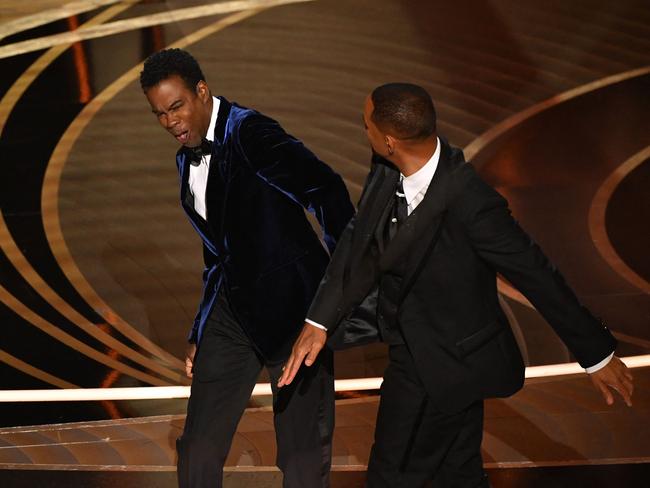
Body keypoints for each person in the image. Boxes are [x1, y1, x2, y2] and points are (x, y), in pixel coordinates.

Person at [278, 83, 634, 487]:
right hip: (417, 350)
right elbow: (359, 239)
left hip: (448, 359)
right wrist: (320, 320)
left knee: (390, 476)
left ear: (390, 140)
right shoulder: (386, 168)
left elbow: (535, 273)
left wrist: (596, 355)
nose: (365, 130)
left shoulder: (471, 201)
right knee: (458, 473)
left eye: (367, 126)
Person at [140, 48, 354, 488]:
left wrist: (333, 297)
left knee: (301, 456)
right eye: (159, 114)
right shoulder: (186, 158)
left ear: (202, 91)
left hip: (294, 317)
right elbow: (217, 250)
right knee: (198, 446)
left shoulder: (250, 133)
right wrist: (201, 329)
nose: (170, 122)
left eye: (176, 106)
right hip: (233, 313)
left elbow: (327, 191)